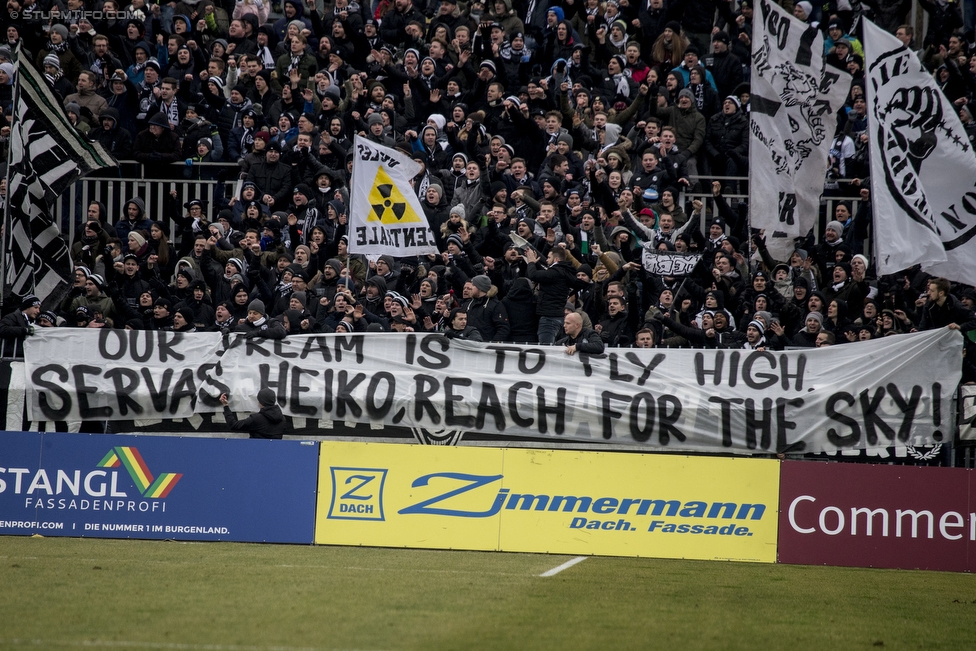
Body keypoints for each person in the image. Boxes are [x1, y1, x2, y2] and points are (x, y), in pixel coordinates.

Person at [219, 388, 285, 439]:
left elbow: (233, 425)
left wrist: (226, 406)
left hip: (256, 453)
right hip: (274, 454)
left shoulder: (256, 419)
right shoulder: (282, 419)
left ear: (261, 402)